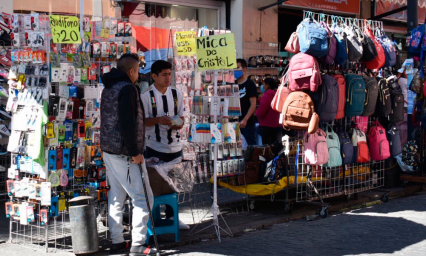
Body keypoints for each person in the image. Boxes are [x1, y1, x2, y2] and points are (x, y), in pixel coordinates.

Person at [100, 53, 156, 256]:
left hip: (109, 149)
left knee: (117, 195)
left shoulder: (108, 87)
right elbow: (127, 122)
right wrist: (135, 152)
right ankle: (138, 244)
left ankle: (116, 239)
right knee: (142, 197)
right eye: (138, 71)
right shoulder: (128, 89)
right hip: (124, 152)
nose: (139, 75)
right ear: (131, 71)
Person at [141, 60, 190, 230]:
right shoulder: (146, 96)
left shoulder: (177, 94)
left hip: (175, 147)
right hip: (154, 147)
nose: (168, 77)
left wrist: (174, 124)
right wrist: (157, 120)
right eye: (164, 74)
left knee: (174, 185)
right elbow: (142, 122)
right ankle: (153, 220)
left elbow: (182, 119)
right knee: (153, 186)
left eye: (170, 74)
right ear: (154, 76)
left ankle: (173, 217)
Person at [236, 59, 258, 145]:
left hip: (247, 124)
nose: (235, 71)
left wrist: (245, 119)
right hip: (234, 123)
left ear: (244, 69)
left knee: (250, 148)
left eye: (237, 68)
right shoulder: (232, 84)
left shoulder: (250, 84)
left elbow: (253, 104)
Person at [255, 78, 282, 145]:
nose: (262, 87)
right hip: (277, 125)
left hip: (267, 126)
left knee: (267, 148)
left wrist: (256, 113)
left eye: (263, 85)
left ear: (267, 85)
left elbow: (261, 111)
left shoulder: (268, 95)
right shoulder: (278, 94)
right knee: (276, 146)